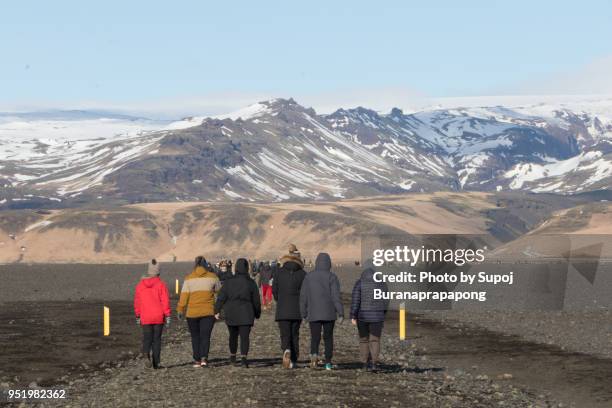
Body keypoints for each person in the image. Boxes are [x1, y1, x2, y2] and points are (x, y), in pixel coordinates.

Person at [214, 258, 261, 368]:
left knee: (233, 336)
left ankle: (233, 356)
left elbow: (221, 297)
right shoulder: (251, 283)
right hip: (246, 313)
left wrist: (216, 310)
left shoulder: (229, 282)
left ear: (236, 268)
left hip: (231, 313)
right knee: (245, 337)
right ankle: (244, 358)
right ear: (246, 268)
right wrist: (257, 313)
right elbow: (256, 300)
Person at [300, 253, 344, 370]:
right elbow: (336, 297)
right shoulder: (332, 277)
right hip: (329, 313)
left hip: (313, 312)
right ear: (329, 263)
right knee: (328, 337)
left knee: (315, 336)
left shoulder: (309, 277)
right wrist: (340, 313)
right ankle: (328, 362)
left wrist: (303, 313)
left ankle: (314, 356)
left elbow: (303, 296)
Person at [177, 256, 221, 368]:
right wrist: (219, 309)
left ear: (195, 265)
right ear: (206, 265)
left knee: (195, 336)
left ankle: (196, 360)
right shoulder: (213, 277)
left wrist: (180, 310)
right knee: (205, 336)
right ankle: (204, 358)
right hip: (208, 312)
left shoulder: (188, 278)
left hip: (192, 313)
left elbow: (184, 297)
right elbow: (219, 293)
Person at [350, 262, 389, 372]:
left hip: (362, 316)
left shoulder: (360, 283)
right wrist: (383, 313)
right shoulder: (381, 283)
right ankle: (374, 363)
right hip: (377, 316)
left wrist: (353, 315)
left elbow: (356, 300)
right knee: (375, 340)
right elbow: (386, 300)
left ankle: (364, 363)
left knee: (364, 340)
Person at [273, 244, 306, 368]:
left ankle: (286, 350)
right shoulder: (303, 274)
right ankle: (294, 358)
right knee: (295, 334)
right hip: (297, 309)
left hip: (282, 308)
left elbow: (274, 290)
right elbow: (305, 292)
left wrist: (279, 299)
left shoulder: (279, 272)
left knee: (285, 333)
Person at [134, 259, 171, 369]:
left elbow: (137, 302)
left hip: (145, 316)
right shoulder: (161, 284)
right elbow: (165, 301)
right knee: (157, 340)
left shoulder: (140, 285)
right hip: (158, 316)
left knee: (147, 338)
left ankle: (146, 353)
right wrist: (168, 315)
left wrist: (138, 315)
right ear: (158, 271)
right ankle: (156, 363)